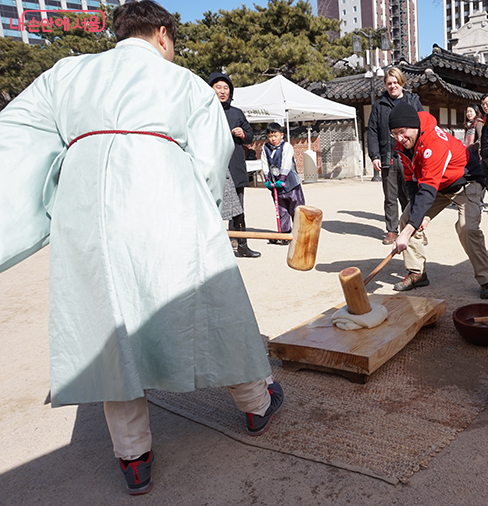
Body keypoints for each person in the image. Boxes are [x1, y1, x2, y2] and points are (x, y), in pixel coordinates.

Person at [0, 1, 283, 495]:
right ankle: (257, 405)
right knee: (210, 302)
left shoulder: (66, 73)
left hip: (89, 211)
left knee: (107, 324)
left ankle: (134, 456)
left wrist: (49, 203)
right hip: (166, 201)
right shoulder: (184, 82)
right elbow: (212, 154)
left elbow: (18, 135)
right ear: (161, 33)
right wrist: (199, 208)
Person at [388, 101, 488, 299]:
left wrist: (406, 232)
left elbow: (428, 188)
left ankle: (486, 279)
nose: (400, 138)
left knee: (467, 227)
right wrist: (417, 217)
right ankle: (417, 273)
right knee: (407, 217)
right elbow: (413, 183)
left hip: (465, 181)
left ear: (414, 125)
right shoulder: (402, 145)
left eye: (403, 132)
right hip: (438, 185)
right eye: (395, 133)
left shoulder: (434, 142)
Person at [367, 67, 424, 245]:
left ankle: (413, 228)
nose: (393, 86)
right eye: (389, 83)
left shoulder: (412, 100)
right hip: (388, 154)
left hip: (409, 154)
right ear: (385, 85)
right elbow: (373, 131)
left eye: (395, 82)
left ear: (401, 83)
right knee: (390, 195)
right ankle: (392, 230)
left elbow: (423, 125)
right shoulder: (379, 105)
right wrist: (375, 155)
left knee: (411, 193)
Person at [208, 72, 260, 258]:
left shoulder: (236, 113)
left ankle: (242, 246)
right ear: (210, 89)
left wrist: (242, 134)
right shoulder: (204, 110)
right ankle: (214, 249)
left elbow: (251, 136)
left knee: (238, 209)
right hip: (212, 168)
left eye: (226, 88)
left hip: (235, 166)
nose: (222, 91)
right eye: (218, 87)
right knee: (210, 209)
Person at [261, 122, 306, 244]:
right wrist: (267, 180)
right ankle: (285, 234)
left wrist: (282, 177)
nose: (273, 139)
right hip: (276, 184)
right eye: (270, 136)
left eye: (275, 135)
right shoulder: (265, 148)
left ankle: (300, 233)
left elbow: (286, 163)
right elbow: (265, 164)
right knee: (282, 210)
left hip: (290, 183)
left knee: (296, 208)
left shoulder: (287, 146)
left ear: (281, 135)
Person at [464, 103, 488, 209]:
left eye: (471, 111)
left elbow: (480, 139)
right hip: (469, 154)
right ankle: (480, 199)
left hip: (476, 154)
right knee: (478, 177)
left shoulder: (478, 123)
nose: (468, 113)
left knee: (481, 177)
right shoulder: (469, 124)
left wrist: (471, 149)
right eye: (467, 111)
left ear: (476, 112)